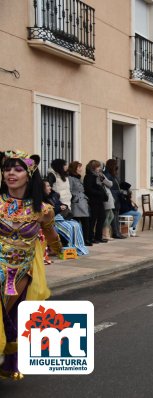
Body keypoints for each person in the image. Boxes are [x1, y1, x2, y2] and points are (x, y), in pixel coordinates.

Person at [0, 150, 62, 380]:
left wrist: (61, 251)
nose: (11, 174)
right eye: (7, 169)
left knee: (9, 316)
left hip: (20, 272)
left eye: (17, 169)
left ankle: (10, 359)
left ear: (29, 174)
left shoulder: (42, 210)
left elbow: (52, 235)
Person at [42, 180, 88, 256]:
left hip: (59, 218)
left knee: (76, 224)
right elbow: (48, 211)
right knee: (69, 227)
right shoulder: (42, 198)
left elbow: (61, 204)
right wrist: (59, 208)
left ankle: (76, 247)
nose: (50, 188)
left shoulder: (53, 196)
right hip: (52, 221)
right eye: (47, 186)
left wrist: (63, 206)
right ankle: (68, 247)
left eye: (50, 186)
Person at [67, 161, 92, 246]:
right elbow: (69, 190)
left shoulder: (78, 178)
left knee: (86, 222)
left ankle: (85, 239)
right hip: (77, 203)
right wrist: (74, 198)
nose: (81, 169)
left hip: (83, 202)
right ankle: (81, 240)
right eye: (79, 167)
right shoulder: (70, 178)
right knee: (78, 222)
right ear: (75, 168)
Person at [84, 160, 108, 244]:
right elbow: (89, 189)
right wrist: (99, 193)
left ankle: (98, 236)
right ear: (93, 168)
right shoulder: (89, 176)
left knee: (102, 218)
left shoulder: (98, 176)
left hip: (99, 200)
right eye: (98, 167)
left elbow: (103, 185)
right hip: (93, 201)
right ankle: (91, 237)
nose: (99, 168)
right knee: (93, 220)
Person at [104, 159, 126, 239]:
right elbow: (109, 186)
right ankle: (115, 232)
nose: (117, 166)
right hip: (113, 196)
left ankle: (118, 232)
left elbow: (119, 183)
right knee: (113, 215)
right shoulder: (107, 174)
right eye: (115, 164)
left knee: (116, 214)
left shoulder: (114, 174)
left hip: (117, 196)